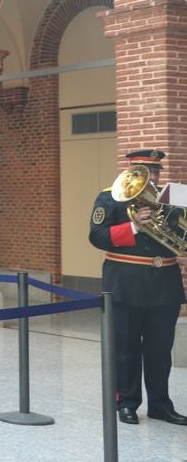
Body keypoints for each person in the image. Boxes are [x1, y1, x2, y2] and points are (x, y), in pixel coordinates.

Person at [89, 149, 187, 426]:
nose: (153, 177)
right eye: (146, 171)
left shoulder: (172, 194)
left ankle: (160, 404)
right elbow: (96, 236)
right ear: (131, 172)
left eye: (156, 172)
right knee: (126, 347)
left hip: (164, 280)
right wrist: (132, 226)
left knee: (160, 349)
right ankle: (127, 403)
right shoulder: (110, 196)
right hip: (125, 280)